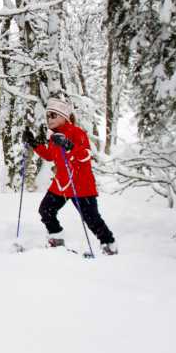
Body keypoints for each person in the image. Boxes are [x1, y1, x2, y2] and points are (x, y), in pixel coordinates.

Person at [22, 97, 118, 255]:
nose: (49, 118)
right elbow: (50, 156)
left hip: (80, 184)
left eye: (53, 115)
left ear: (64, 117)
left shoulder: (77, 133)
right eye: (48, 115)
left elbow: (86, 155)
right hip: (61, 184)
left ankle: (109, 245)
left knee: (91, 219)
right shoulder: (55, 135)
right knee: (46, 210)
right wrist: (34, 144)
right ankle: (57, 240)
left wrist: (69, 146)